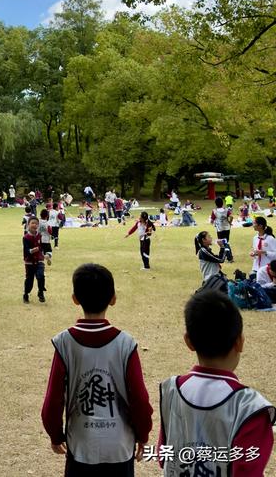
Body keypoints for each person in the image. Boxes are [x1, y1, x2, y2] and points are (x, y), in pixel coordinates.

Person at [41, 263, 152, 475]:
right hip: (119, 447)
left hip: (81, 447)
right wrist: (143, 434)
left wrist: (55, 434)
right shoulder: (125, 343)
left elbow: (53, 400)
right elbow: (139, 398)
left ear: (75, 298)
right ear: (113, 298)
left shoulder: (65, 343)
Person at [158, 291, 275, 476]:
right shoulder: (251, 409)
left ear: (189, 342)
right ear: (240, 342)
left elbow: (163, 456)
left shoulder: (170, 390)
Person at [23, 215, 46, 303]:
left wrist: (47, 254)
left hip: (39, 260)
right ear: (28, 225)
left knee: (41, 276)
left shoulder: (40, 236)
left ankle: (41, 292)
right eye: (32, 223)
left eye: (36, 223)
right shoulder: (26, 237)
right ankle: (26, 294)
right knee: (29, 280)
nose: (34, 225)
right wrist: (31, 250)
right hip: (29, 262)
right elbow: (26, 250)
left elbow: (44, 247)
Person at [210, 196, 234, 262]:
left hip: (220, 229)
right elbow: (231, 216)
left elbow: (211, 221)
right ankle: (224, 256)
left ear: (215, 204)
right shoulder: (226, 210)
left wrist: (213, 222)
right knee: (226, 242)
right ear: (222, 203)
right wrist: (229, 222)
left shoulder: (214, 211)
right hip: (227, 228)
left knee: (222, 243)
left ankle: (228, 257)